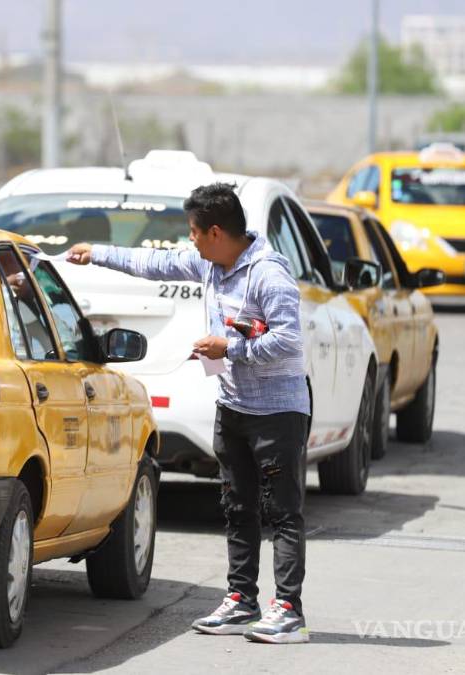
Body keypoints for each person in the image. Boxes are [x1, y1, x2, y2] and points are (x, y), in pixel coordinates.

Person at [66, 183, 311, 645]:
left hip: (276, 413)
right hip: (233, 407)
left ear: (216, 231)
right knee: (237, 508)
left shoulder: (268, 275)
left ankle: (289, 611)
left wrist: (230, 347)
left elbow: (289, 342)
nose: (190, 241)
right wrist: (95, 253)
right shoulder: (209, 263)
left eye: (194, 232)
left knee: (282, 512)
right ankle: (241, 601)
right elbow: (152, 264)